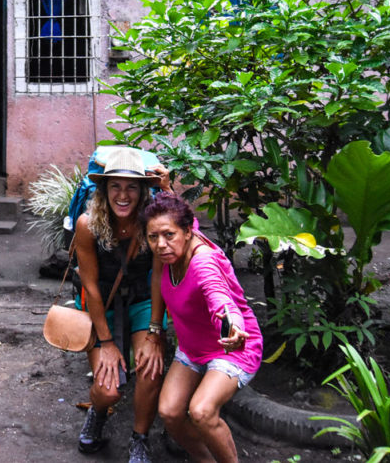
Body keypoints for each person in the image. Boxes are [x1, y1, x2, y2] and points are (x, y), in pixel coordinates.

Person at [143, 193, 263, 463]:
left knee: (201, 410)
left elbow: (219, 296)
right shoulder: (171, 244)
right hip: (192, 347)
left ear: (187, 232)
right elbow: (172, 213)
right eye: (153, 237)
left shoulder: (203, 262)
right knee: (170, 412)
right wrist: (154, 330)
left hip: (232, 348)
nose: (161, 245)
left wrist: (232, 324)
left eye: (168, 235)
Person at [73, 146, 171, 463]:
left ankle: (139, 438)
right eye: (115, 186)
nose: (123, 195)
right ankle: (98, 413)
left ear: (143, 190)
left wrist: (155, 333)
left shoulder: (152, 221)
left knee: (151, 369)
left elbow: (158, 278)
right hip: (103, 303)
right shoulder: (88, 225)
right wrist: (106, 342)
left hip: (143, 299)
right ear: (104, 189)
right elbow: (90, 286)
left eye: (131, 186)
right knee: (109, 389)